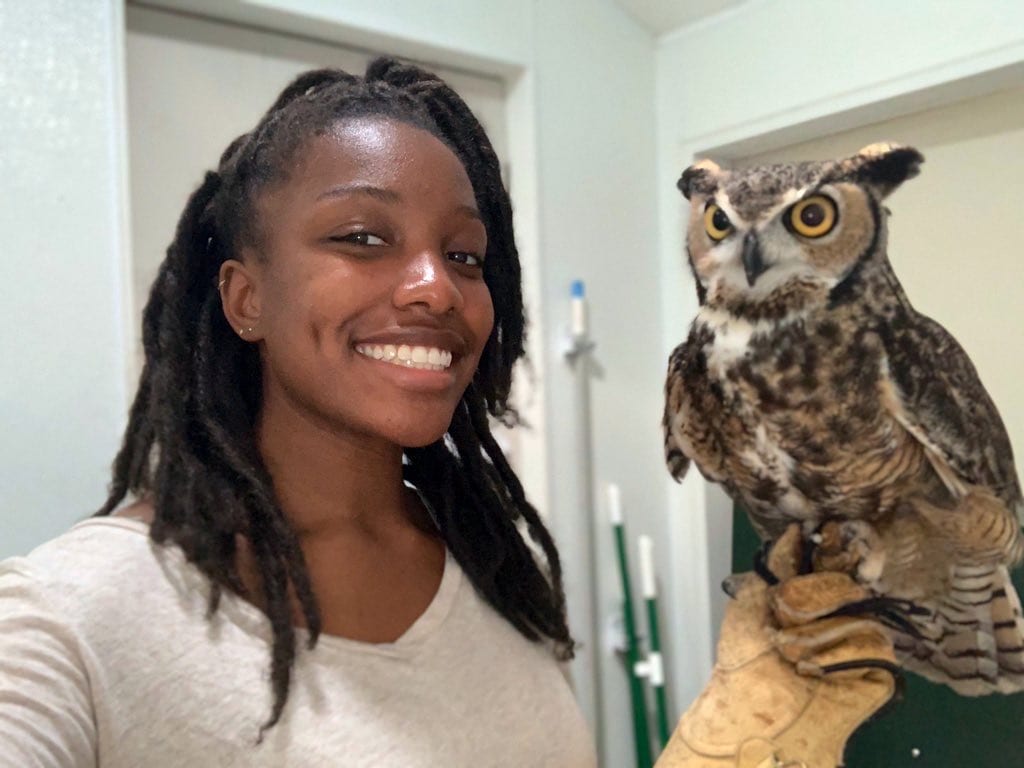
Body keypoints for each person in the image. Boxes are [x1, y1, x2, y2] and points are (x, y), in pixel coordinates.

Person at [0, 57, 596, 767]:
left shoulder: (497, 569)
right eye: (362, 238)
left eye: (464, 254)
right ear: (246, 300)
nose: (437, 288)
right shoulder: (76, 615)